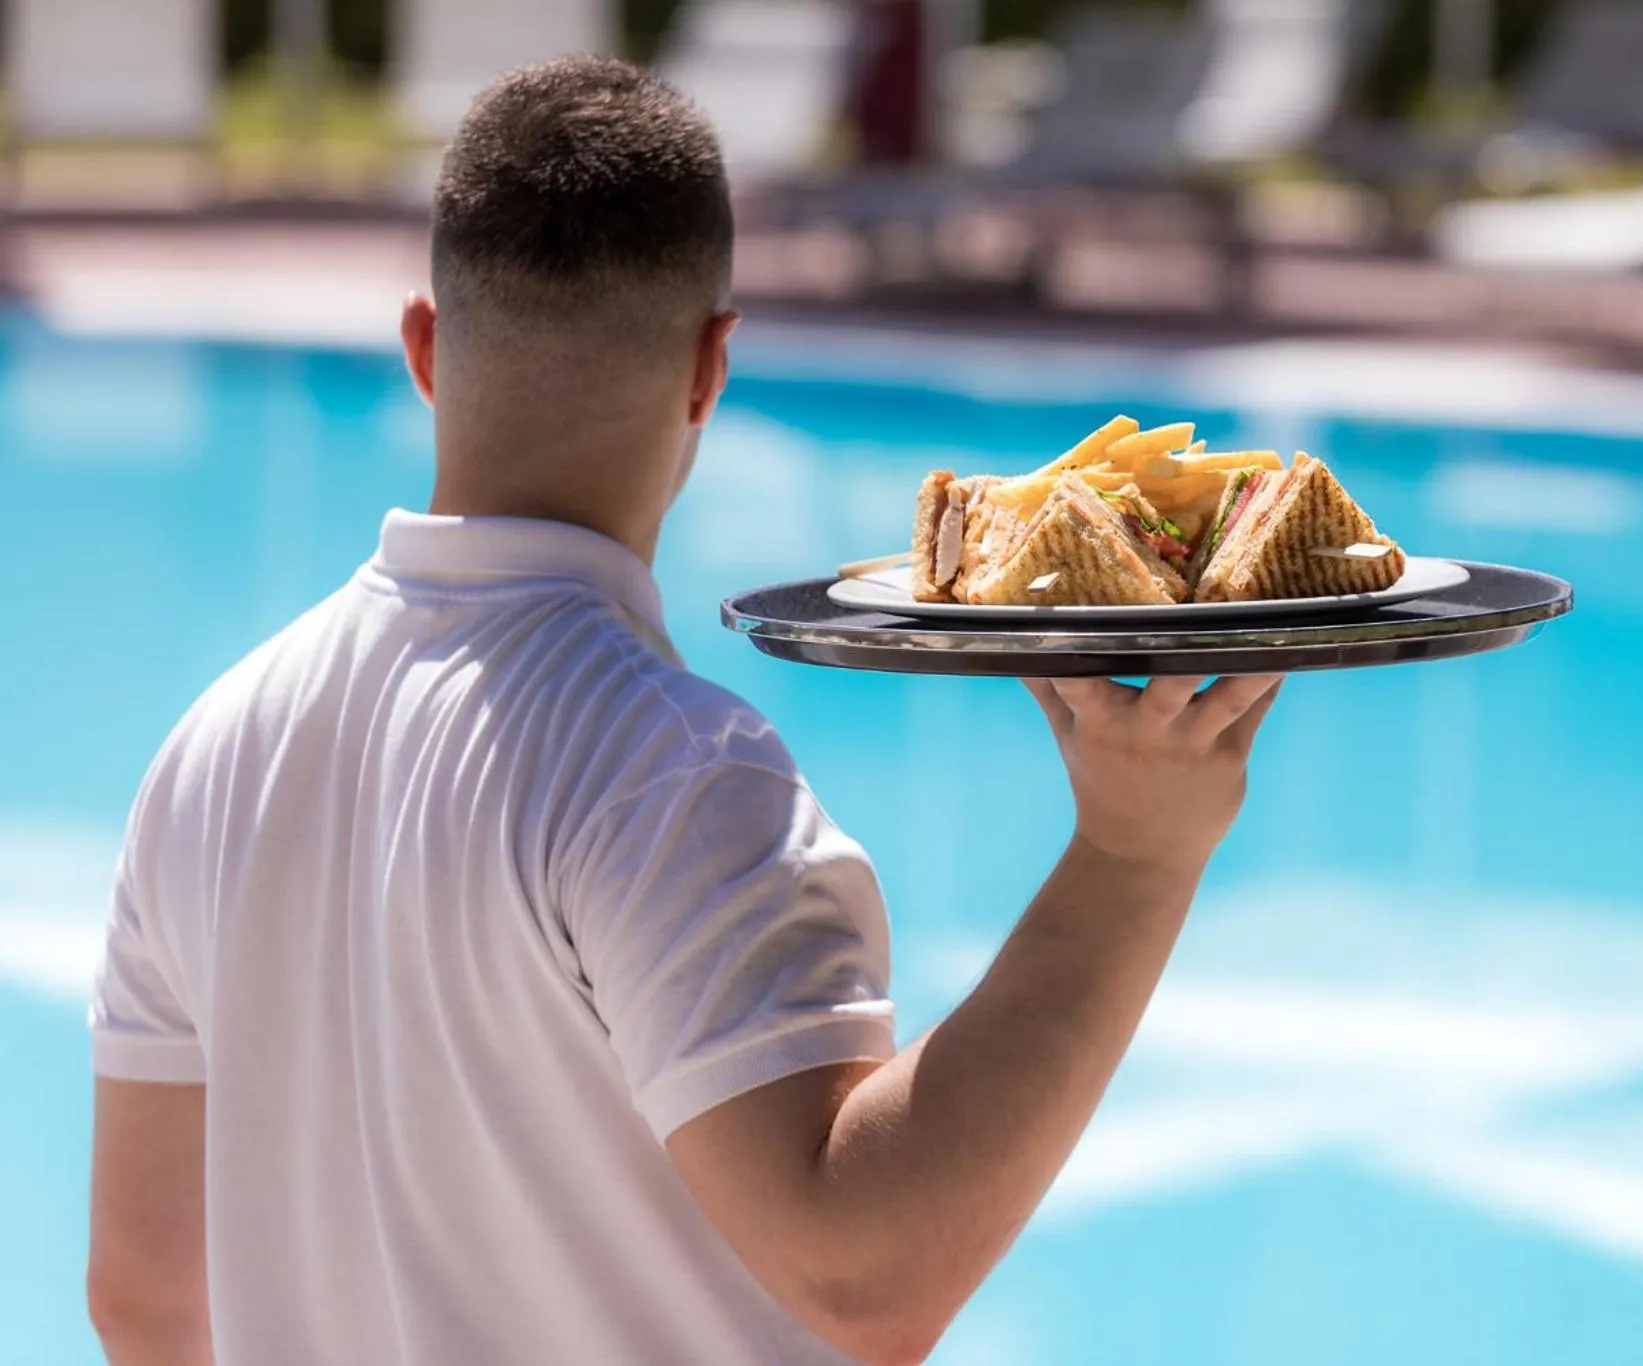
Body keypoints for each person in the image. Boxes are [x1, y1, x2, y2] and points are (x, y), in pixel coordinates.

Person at [85, 57, 1282, 1366]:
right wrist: (1132, 856)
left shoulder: (211, 753)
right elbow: (859, 1271)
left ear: (425, 348)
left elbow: (147, 1299)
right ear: (712, 366)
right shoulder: (671, 769)